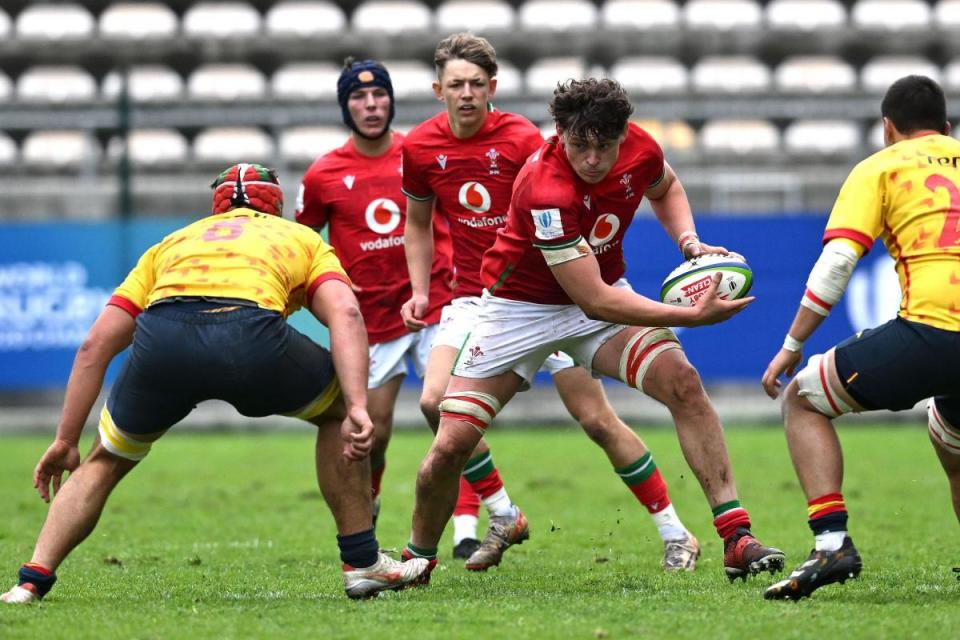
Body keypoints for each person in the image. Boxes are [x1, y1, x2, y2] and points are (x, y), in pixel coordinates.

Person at [0, 164, 428, 605]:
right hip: (250, 336)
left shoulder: (171, 243)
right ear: (277, 206)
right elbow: (346, 314)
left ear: (215, 207)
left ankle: (30, 581)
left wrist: (66, 439)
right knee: (337, 413)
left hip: (164, 342)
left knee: (103, 459)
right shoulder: (301, 238)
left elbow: (94, 346)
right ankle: (361, 562)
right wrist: (357, 404)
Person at [401, 35, 739, 577]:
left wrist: (690, 244)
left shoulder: (527, 140)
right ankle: (462, 534)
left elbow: (658, 192)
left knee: (623, 408)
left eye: (476, 84)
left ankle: (707, 534)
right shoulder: (440, 154)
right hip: (507, 301)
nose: (593, 158)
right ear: (438, 88)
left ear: (493, 87)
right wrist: (690, 316)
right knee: (441, 421)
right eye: (456, 84)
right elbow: (419, 226)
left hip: (582, 289)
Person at [761, 75, 960, 600]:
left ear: (888, 128)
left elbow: (838, 262)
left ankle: (831, 544)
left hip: (934, 330)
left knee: (802, 399)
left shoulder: (880, 165)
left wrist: (792, 342)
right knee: (951, 433)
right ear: (945, 128)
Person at [295, 58, 488, 558]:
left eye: (379, 94)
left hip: (435, 306)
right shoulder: (323, 175)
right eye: (359, 97)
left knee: (450, 415)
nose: (371, 104)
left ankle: (468, 526)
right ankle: (370, 506)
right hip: (372, 321)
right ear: (346, 107)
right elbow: (303, 241)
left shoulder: (420, 151)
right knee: (371, 433)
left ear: (392, 100)